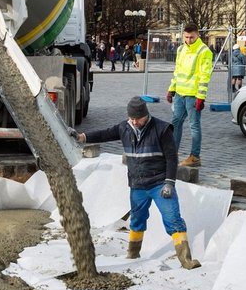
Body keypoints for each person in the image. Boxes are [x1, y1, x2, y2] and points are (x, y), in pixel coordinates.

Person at [76, 96, 201, 270]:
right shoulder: (124, 127)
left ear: (146, 115)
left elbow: (172, 158)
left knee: (173, 219)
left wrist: (169, 183)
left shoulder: (162, 129)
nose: (134, 122)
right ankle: (133, 254)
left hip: (159, 184)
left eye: (138, 119)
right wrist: (82, 137)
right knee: (137, 220)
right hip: (138, 185)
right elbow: (105, 133)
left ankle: (186, 260)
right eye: (131, 118)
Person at [166, 23, 213, 167]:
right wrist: (171, 89)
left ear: (198, 34)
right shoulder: (181, 49)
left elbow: (204, 76)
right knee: (176, 123)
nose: (189, 40)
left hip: (193, 95)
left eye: (191, 37)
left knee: (194, 125)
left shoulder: (204, 51)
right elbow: (177, 71)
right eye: (186, 37)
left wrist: (201, 97)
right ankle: (172, 153)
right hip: (180, 93)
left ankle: (195, 156)